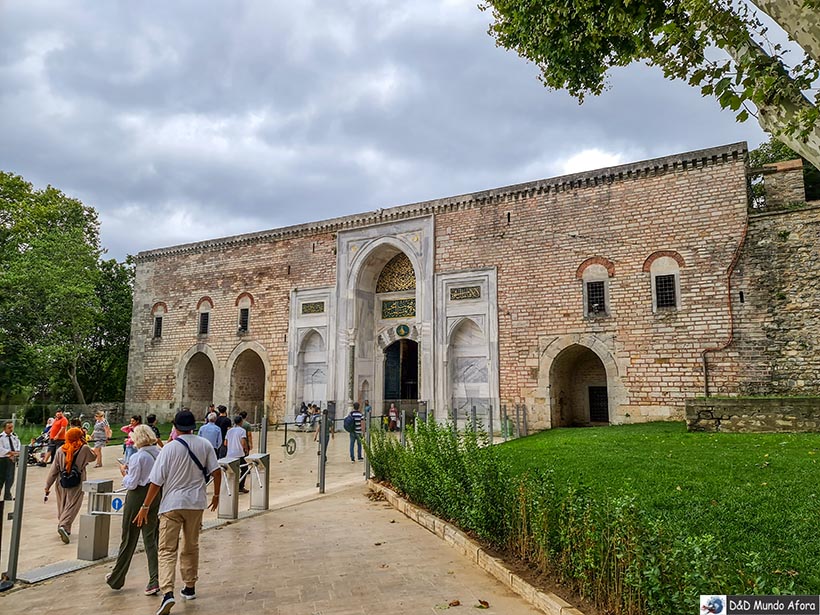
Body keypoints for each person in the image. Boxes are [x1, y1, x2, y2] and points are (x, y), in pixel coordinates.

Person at [134, 410, 221, 615]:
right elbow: (216, 471)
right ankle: (189, 586)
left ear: (175, 427)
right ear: (193, 427)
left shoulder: (169, 448)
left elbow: (156, 481)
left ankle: (167, 592)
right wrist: (216, 495)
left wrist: (145, 506)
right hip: (195, 503)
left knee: (166, 549)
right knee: (191, 545)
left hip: (171, 504)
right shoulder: (204, 445)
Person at [106, 424, 161, 594]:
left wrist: (124, 473)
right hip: (155, 494)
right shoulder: (159, 453)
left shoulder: (138, 457)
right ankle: (154, 579)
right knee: (150, 538)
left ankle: (117, 576)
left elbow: (132, 482)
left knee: (129, 537)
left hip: (138, 495)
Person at [44, 427, 95, 543]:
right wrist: (85, 443)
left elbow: (53, 470)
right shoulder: (84, 448)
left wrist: (47, 485)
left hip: (61, 480)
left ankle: (65, 529)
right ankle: (63, 525)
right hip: (77, 481)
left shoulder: (61, 449)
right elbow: (93, 457)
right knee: (73, 504)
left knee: (62, 504)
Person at [225, 416, 249, 494]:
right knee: (245, 469)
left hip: (230, 454)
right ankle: (240, 486)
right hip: (239, 453)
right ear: (241, 422)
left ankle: (229, 487)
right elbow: (243, 442)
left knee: (230, 471)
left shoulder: (229, 431)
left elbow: (225, 443)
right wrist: (246, 449)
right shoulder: (242, 431)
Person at [0, 421, 21, 500]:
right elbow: (1, 449)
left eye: (12, 427)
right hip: (3, 460)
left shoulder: (14, 436)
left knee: (10, 478)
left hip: (12, 459)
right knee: (1, 478)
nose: (11, 429)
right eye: (9, 428)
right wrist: (10, 453)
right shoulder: (1, 437)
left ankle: (7, 495)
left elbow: (18, 445)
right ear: (4, 428)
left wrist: (16, 453)